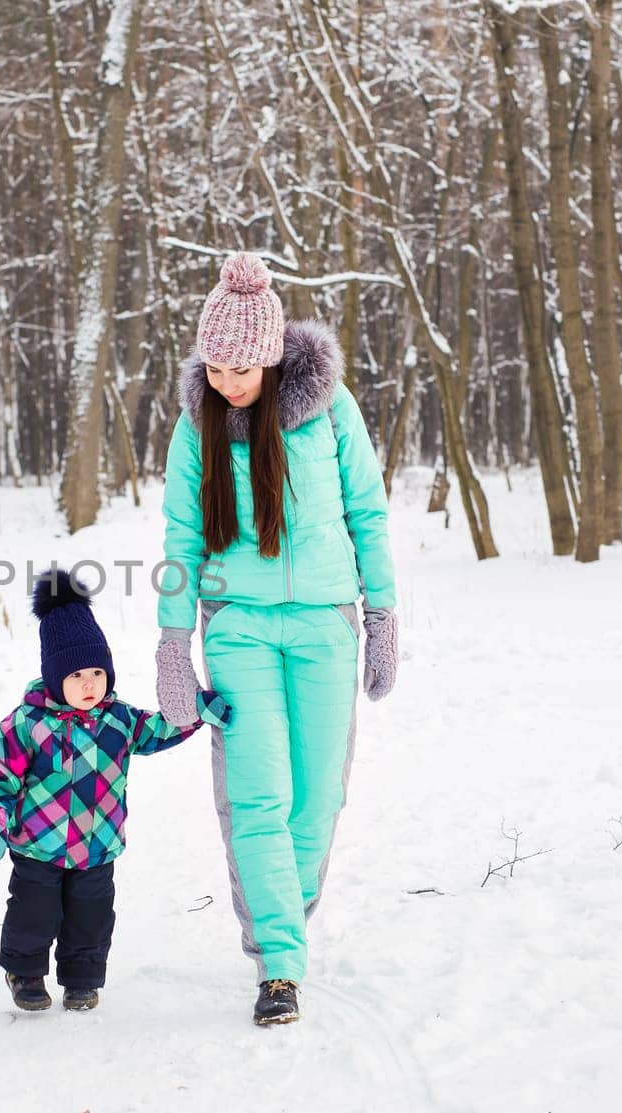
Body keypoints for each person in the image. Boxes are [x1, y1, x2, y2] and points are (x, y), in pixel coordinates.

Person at [154, 252, 399, 1026]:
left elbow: (369, 513)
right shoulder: (198, 427)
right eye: (215, 365)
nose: (228, 380)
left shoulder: (330, 411)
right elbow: (181, 537)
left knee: (317, 797)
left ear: (271, 354)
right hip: (240, 631)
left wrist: (382, 615)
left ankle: (281, 919)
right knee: (258, 795)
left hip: (327, 625)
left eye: (242, 367)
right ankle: (280, 966)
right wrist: (172, 644)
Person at [0, 568, 230, 1012]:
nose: (89, 684)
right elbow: (1, 778)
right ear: (54, 678)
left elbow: (159, 729)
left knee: (91, 917)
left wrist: (196, 710)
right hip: (37, 845)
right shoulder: (26, 726)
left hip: (98, 845)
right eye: (75, 676)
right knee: (35, 912)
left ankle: (82, 980)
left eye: (96, 672)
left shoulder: (119, 720)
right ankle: (26, 974)